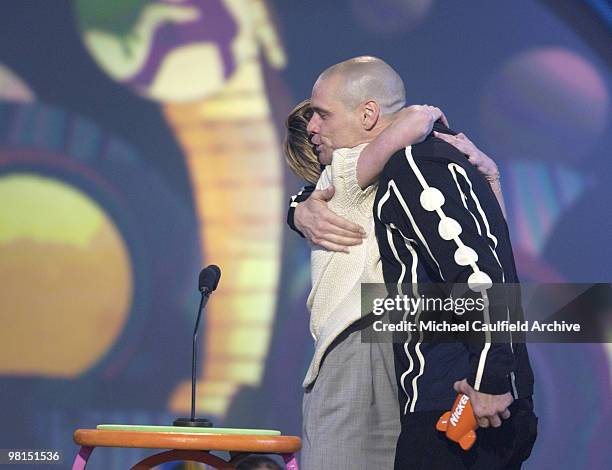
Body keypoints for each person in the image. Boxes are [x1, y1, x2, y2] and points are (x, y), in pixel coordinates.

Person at [288, 56, 536, 469]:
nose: (312, 127)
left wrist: (489, 377)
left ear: (368, 114)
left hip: (369, 343)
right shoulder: (354, 174)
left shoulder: (398, 166)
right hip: (406, 349)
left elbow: (482, 266)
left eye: (321, 115)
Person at [285, 98, 453, 469]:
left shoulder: (378, 177)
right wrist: (421, 113)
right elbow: (406, 129)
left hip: (398, 340)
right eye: (313, 120)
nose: (315, 127)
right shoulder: (340, 176)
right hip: (364, 333)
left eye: (323, 116)